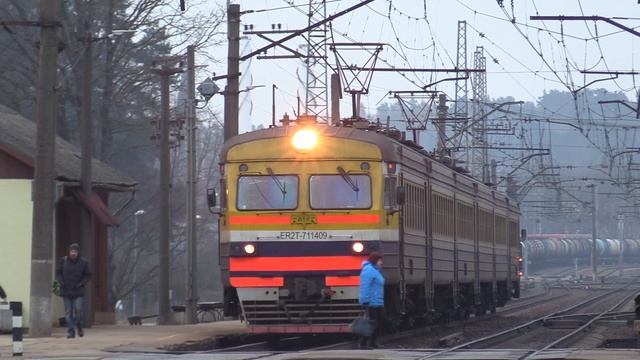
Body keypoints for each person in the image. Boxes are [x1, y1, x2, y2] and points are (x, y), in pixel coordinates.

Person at [56, 243, 91, 338]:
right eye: (72, 251)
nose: (73, 253)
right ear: (69, 252)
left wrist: (82, 283)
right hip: (66, 290)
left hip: (78, 290)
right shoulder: (63, 261)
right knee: (68, 313)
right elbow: (58, 273)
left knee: (79, 310)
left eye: (75, 251)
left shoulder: (84, 262)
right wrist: (60, 282)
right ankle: (71, 331)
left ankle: (79, 324)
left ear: (78, 252)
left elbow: (88, 275)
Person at [358, 251, 385, 349]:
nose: (381, 262)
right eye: (380, 260)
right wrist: (365, 301)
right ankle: (363, 343)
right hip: (371, 302)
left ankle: (373, 342)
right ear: (375, 260)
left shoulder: (375, 271)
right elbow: (365, 286)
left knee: (378, 323)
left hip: (377, 301)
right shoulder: (368, 270)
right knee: (371, 324)